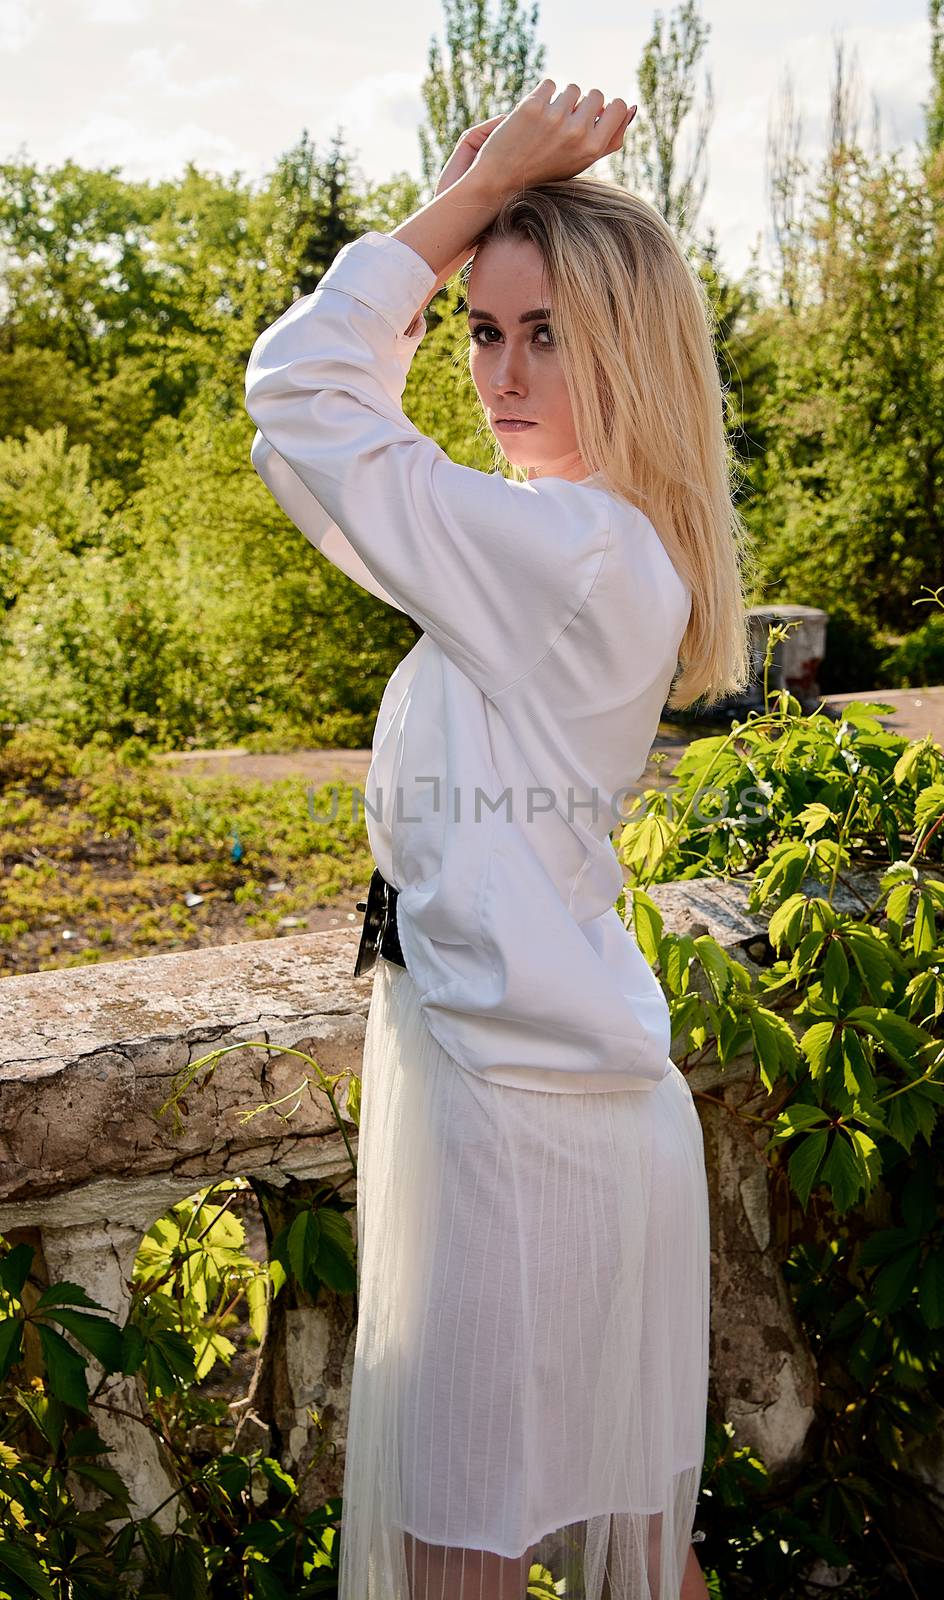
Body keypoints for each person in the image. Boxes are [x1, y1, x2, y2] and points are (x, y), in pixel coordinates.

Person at [245, 78, 752, 1600]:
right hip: (529, 1094)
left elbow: (304, 400)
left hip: (524, 1124)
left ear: (628, 351)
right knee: (499, 1543)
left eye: (545, 335)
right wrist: (473, 196)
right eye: (481, 328)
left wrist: (464, 200)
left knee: (453, 1551)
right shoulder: (584, 538)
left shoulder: (572, 548)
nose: (498, 372)